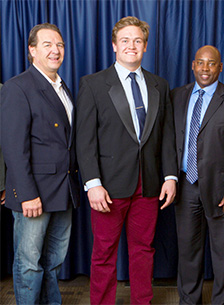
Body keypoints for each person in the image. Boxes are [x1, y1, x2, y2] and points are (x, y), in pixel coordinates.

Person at [76, 16, 177, 304]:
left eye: (137, 41)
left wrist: (170, 176)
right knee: (104, 253)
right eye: (125, 40)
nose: (131, 46)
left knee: (144, 251)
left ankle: (141, 301)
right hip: (107, 187)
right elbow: (85, 140)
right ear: (114, 46)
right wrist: (92, 184)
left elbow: (166, 136)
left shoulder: (159, 84)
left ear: (145, 46)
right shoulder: (93, 84)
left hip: (149, 186)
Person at [0, 23, 80, 304]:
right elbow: (13, 148)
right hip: (34, 194)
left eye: (59, 45)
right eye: (47, 45)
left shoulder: (61, 86)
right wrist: (27, 194)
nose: (55, 50)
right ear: (32, 50)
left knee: (53, 261)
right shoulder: (17, 88)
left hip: (62, 190)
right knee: (29, 264)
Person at [171, 45, 224, 304]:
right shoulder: (176, 97)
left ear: (220, 67)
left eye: (211, 63)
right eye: (201, 62)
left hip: (223, 192)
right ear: (193, 65)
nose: (205, 68)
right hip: (185, 186)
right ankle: (189, 301)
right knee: (187, 252)